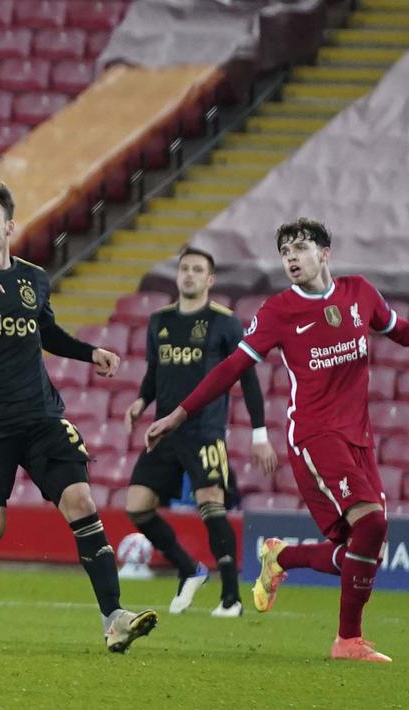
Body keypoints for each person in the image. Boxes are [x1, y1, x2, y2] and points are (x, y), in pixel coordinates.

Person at [145, 218, 409, 662]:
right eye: (284, 252)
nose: (291, 258)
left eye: (300, 248)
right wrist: (179, 414)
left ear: (324, 253)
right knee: (371, 525)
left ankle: (281, 558)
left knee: (364, 550)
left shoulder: (360, 293)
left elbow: (406, 333)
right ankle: (347, 641)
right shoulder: (279, 311)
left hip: (358, 437)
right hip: (314, 435)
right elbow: (232, 367)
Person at [0, 181, 157, 654]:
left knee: (81, 501)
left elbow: (46, 332)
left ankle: (114, 617)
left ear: (9, 226)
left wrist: (89, 352)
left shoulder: (33, 279)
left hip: (41, 416)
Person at [123, 246, 277, 618]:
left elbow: (248, 379)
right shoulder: (159, 321)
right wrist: (141, 401)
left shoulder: (224, 323)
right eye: (184, 269)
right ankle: (189, 568)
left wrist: (259, 435)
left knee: (211, 504)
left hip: (205, 430)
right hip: (164, 430)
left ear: (210, 280)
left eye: (197, 270)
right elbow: (154, 372)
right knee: (137, 506)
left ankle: (231, 598)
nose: (189, 275)